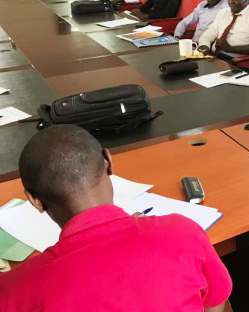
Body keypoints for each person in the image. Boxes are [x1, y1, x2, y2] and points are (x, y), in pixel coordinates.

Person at [0, 125, 233, 311]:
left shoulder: (17, 289)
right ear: (108, 161)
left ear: (34, 200)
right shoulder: (182, 233)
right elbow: (216, 301)